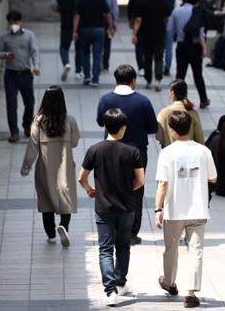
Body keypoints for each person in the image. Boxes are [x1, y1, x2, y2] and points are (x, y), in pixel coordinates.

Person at [79, 108, 145, 306]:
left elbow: (81, 177)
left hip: (104, 208)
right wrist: (127, 189)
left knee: (105, 249)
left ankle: (110, 291)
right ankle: (120, 282)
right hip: (126, 207)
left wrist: (90, 190)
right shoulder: (132, 151)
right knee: (123, 247)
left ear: (105, 126)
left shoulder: (95, 149)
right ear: (123, 128)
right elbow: (140, 181)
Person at [154, 110, 217, 308]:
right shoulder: (203, 151)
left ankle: (170, 283)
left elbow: (162, 184)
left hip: (174, 210)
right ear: (190, 127)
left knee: (171, 250)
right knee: (196, 250)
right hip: (198, 209)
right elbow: (213, 178)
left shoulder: (167, 153)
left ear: (172, 131)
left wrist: (158, 209)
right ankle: (190, 294)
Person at [96, 65, 158, 245]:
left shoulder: (106, 99)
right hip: (137, 153)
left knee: (111, 188)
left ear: (116, 80)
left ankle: (112, 230)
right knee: (136, 190)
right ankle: (131, 233)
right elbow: (153, 128)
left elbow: (101, 121)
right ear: (133, 81)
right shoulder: (143, 101)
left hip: (109, 151)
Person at [20, 86, 80, 246]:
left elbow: (32, 146)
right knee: (66, 197)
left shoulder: (38, 121)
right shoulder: (70, 120)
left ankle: (51, 234)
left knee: (46, 199)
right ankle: (64, 225)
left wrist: (26, 166)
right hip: (65, 166)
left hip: (45, 167)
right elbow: (74, 142)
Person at [0, 10, 40, 143]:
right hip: (11, 75)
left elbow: (34, 51)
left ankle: (27, 126)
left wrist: (36, 66)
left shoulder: (29, 36)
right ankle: (14, 132)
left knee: (29, 102)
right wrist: (5, 55)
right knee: (11, 104)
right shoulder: (4, 37)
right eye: (11, 22)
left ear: (21, 22)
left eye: (15, 22)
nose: (13, 25)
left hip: (25, 74)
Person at [167, 0, 210, 108]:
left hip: (181, 46)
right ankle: (203, 100)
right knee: (198, 75)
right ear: (197, 2)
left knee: (180, 75)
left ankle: (177, 100)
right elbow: (201, 33)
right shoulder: (197, 12)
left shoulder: (176, 11)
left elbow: (170, 29)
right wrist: (204, 49)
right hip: (195, 47)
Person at [72, 0, 114, 87]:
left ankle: (86, 77)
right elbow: (108, 14)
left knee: (85, 54)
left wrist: (74, 31)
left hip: (84, 30)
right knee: (97, 55)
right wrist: (110, 27)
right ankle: (95, 79)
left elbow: (77, 17)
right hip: (99, 30)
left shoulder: (80, 0)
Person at [132, 0, 172, 91]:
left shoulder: (141, 3)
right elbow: (168, 15)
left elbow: (138, 20)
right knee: (159, 57)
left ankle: (148, 80)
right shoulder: (162, 2)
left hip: (145, 34)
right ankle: (158, 80)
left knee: (147, 58)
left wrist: (134, 34)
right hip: (159, 33)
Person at [156, 80, 205, 148]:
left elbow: (159, 137)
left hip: (170, 154)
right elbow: (200, 139)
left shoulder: (163, 113)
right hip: (189, 155)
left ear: (172, 93)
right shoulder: (193, 113)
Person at [54, 0, 84, 81]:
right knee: (79, 49)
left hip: (65, 23)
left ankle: (66, 63)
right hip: (80, 24)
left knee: (63, 47)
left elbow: (60, 7)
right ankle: (78, 72)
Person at [128, 0, 151, 76]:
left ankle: (141, 67)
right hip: (149, 20)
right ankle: (147, 64)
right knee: (148, 44)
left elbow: (130, 7)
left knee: (138, 44)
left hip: (137, 20)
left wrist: (130, 20)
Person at [96, 0, 119, 72]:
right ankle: (105, 65)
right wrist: (114, 24)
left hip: (96, 19)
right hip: (108, 20)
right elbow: (114, 8)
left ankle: (98, 62)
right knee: (107, 43)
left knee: (97, 42)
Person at [157, 0, 177, 76]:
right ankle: (167, 68)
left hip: (159, 21)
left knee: (159, 46)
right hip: (170, 22)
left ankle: (158, 66)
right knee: (169, 46)